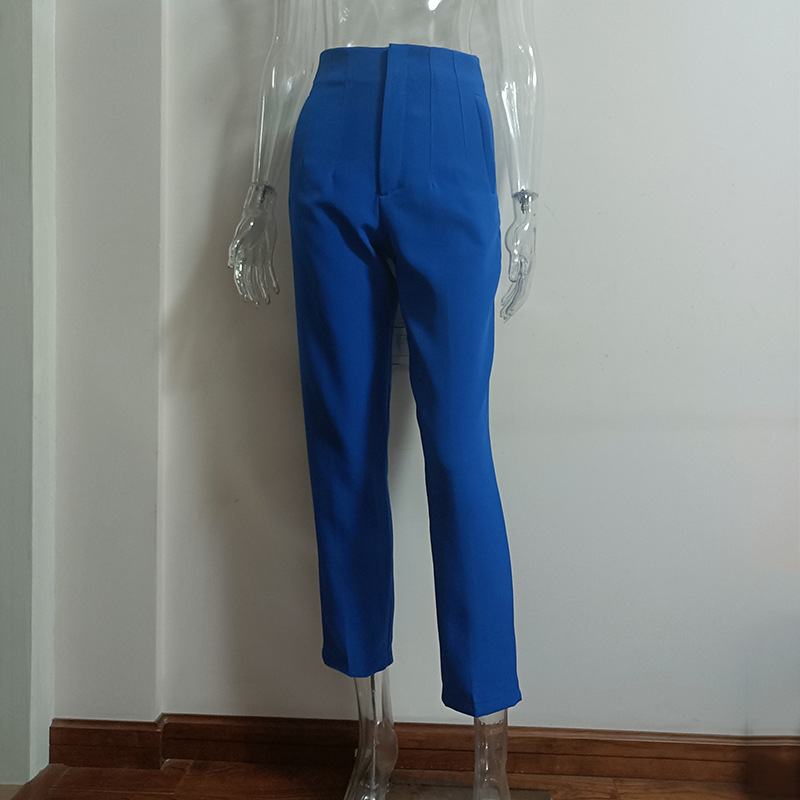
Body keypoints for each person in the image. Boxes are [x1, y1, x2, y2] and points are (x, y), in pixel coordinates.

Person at [228, 2, 542, 797]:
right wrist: (260, 190)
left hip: (449, 121)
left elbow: (515, 49)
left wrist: (526, 199)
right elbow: (286, 45)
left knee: (459, 452)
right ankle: (373, 732)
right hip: (332, 123)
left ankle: (490, 749)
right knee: (343, 445)